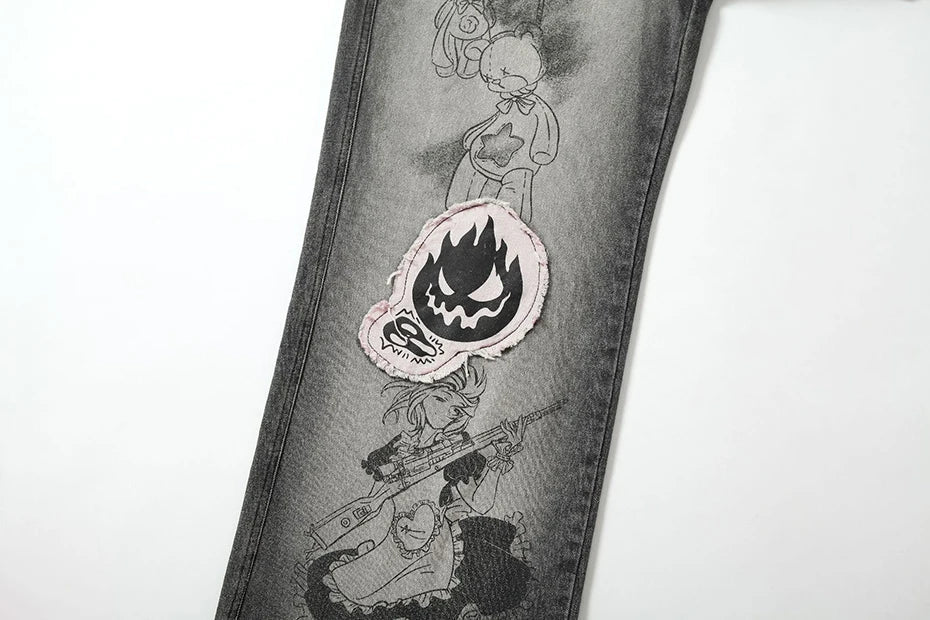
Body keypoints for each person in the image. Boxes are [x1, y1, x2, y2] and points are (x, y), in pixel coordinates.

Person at [300, 363, 533, 619]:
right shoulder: (397, 448)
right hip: (391, 546)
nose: (448, 412)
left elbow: (481, 503)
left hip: (435, 553)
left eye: (456, 408)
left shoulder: (456, 449)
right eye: (440, 399)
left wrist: (501, 456)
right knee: (345, 585)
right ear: (421, 397)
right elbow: (375, 500)